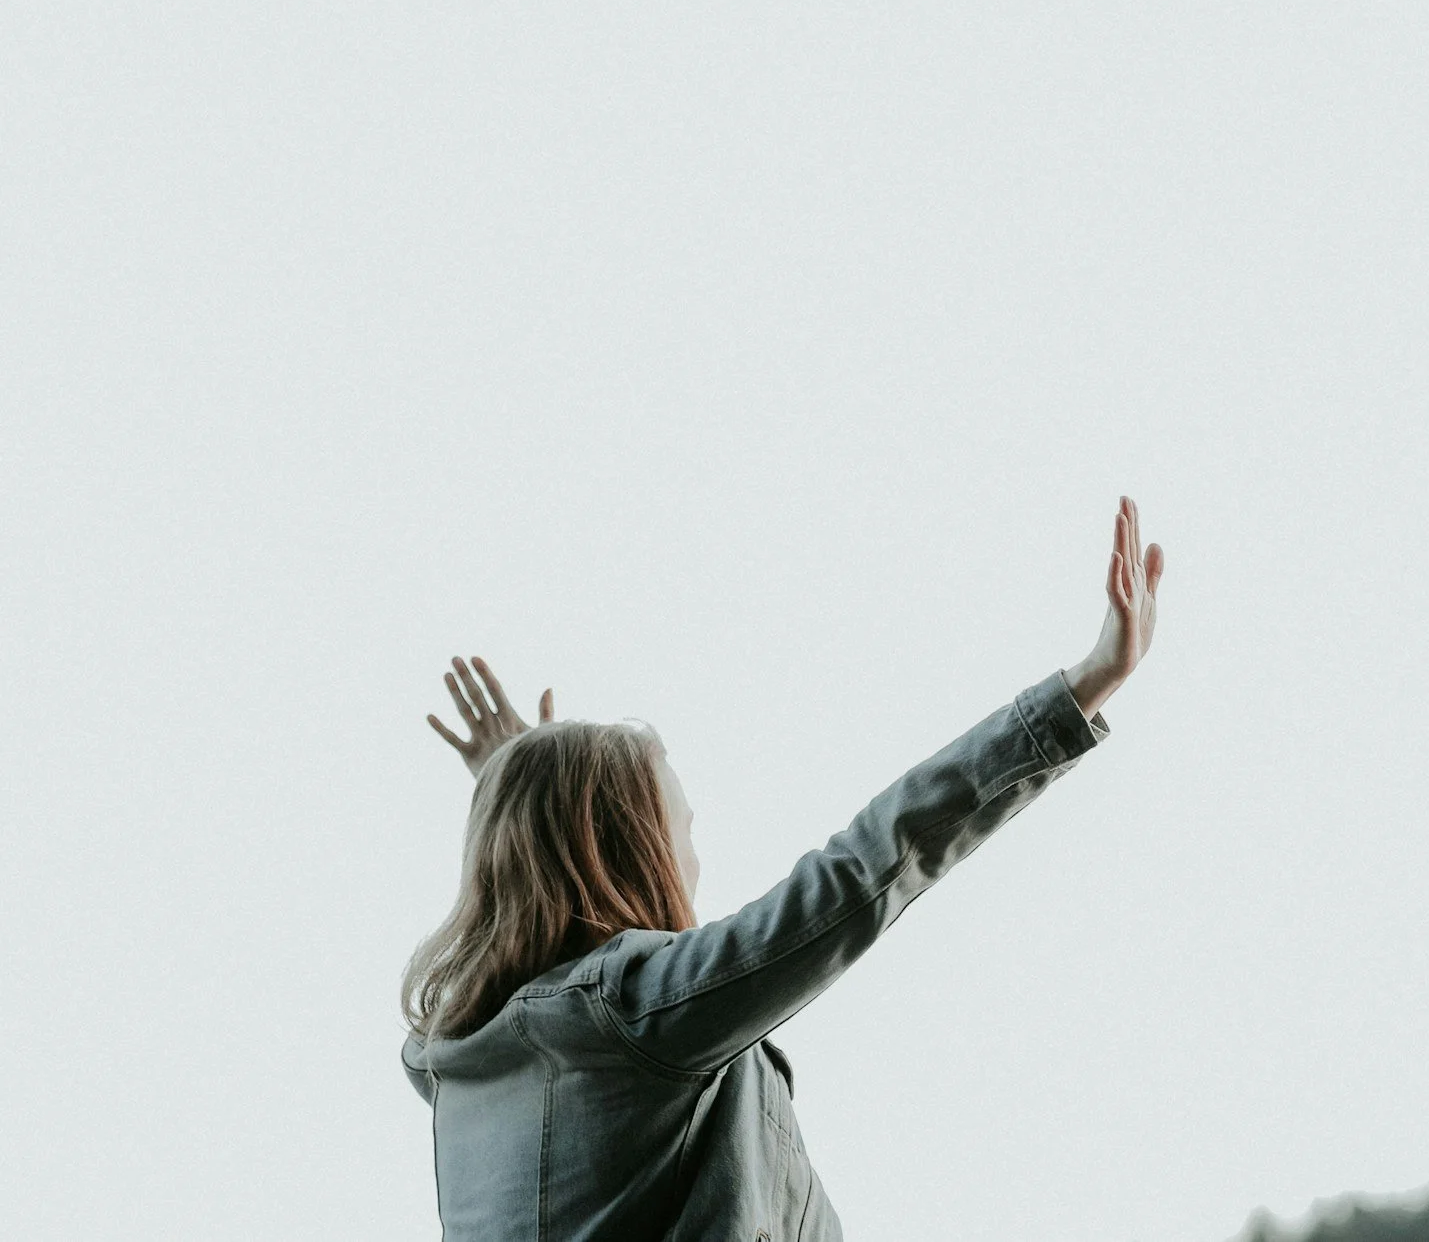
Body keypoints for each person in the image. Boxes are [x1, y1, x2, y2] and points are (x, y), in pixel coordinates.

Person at [401, 496, 1166, 1241]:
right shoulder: (644, 1013)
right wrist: (1084, 688)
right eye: (682, 828)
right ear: (627, 849)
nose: (694, 860)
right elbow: (871, 860)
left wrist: (520, 784)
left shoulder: (458, 1065)